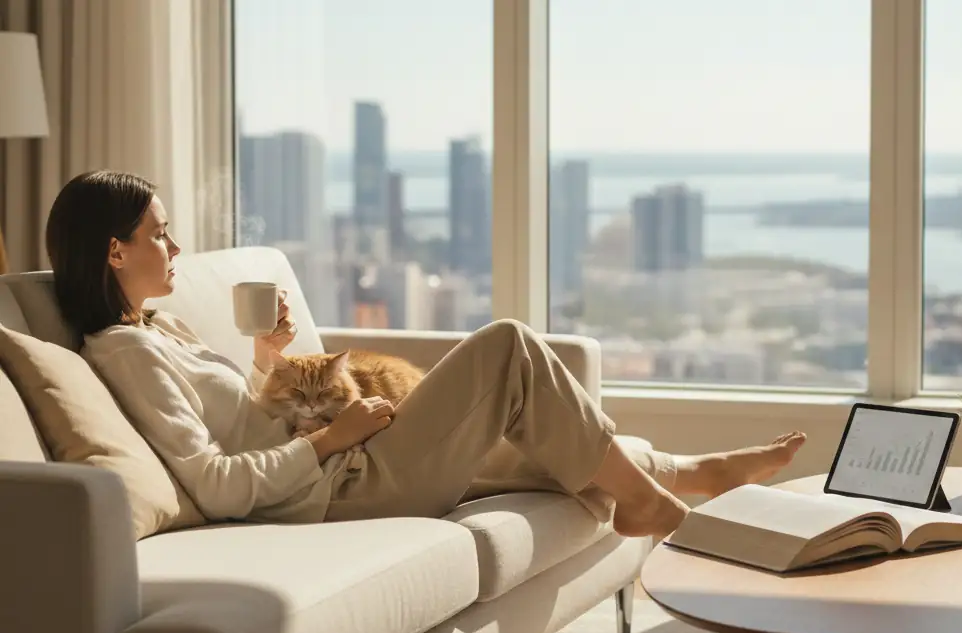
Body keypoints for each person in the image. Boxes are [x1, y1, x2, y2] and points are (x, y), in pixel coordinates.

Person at [46, 170, 805, 541]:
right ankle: (650, 501)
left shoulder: (156, 330)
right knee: (507, 346)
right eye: (159, 234)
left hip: (340, 464)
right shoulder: (124, 354)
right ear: (115, 251)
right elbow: (214, 482)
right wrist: (331, 438)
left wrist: (264, 356)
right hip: (337, 487)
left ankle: (697, 473)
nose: (175, 247)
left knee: (546, 448)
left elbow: (238, 425)